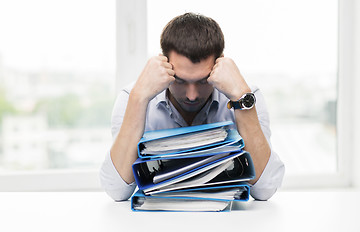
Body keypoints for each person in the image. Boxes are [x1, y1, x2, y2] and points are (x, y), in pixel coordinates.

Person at [100, 12, 285, 201]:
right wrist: (138, 99)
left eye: (203, 81)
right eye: (179, 81)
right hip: (155, 227)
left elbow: (265, 190)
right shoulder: (133, 97)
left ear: (220, 65)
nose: (192, 95)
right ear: (163, 64)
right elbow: (116, 191)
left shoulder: (246, 97)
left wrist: (241, 99)